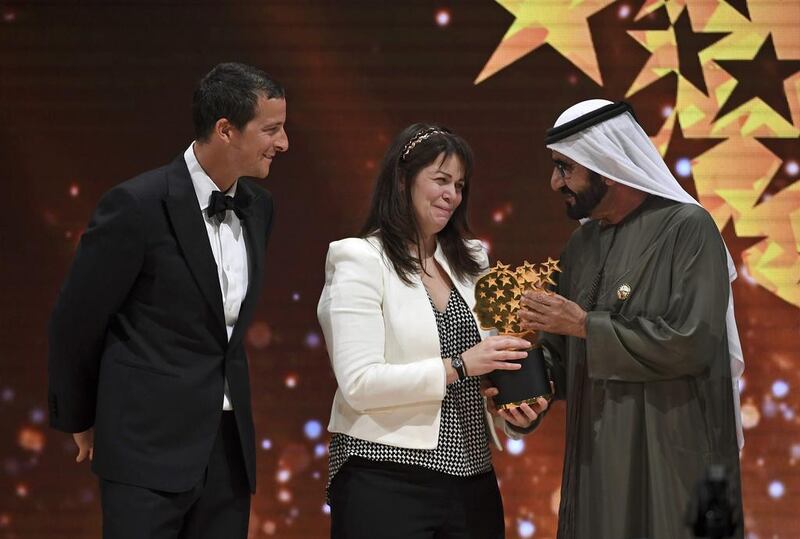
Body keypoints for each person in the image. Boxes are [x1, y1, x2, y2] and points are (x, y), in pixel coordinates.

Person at [47, 62, 288, 539]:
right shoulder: (136, 205)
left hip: (227, 453)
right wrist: (80, 415)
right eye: (272, 130)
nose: (283, 144)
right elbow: (75, 320)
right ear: (225, 130)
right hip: (144, 448)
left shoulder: (260, 208)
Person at [515, 99, 744, 539]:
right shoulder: (580, 246)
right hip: (597, 461)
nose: (554, 182)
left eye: (565, 167)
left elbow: (692, 342)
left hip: (678, 456)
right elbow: (560, 358)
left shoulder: (690, 228)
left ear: (607, 162)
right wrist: (527, 396)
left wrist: (586, 325)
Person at [317, 124, 549, 539]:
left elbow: (490, 366)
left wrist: (516, 412)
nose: (452, 195)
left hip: (472, 478)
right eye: (440, 180)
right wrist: (459, 365)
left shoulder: (472, 260)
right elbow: (358, 383)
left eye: (459, 185)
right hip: (384, 473)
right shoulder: (359, 258)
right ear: (402, 180)